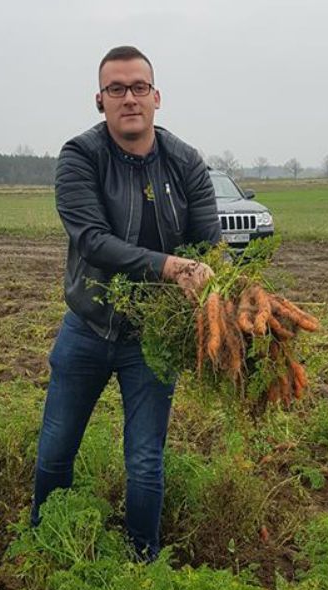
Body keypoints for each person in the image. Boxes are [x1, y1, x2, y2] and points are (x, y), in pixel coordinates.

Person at [31, 45, 220, 560]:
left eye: (139, 87)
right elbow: (92, 240)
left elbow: (208, 242)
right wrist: (169, 266)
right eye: (117, 89)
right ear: (100, 100)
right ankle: (46, 544)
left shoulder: (185, 162)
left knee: (144, 461)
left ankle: (143, 562)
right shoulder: (79, 157)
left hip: (152, 339)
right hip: (88, 328)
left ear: (157, 97)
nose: (129, 98)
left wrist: (220, 284)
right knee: (56, 449)